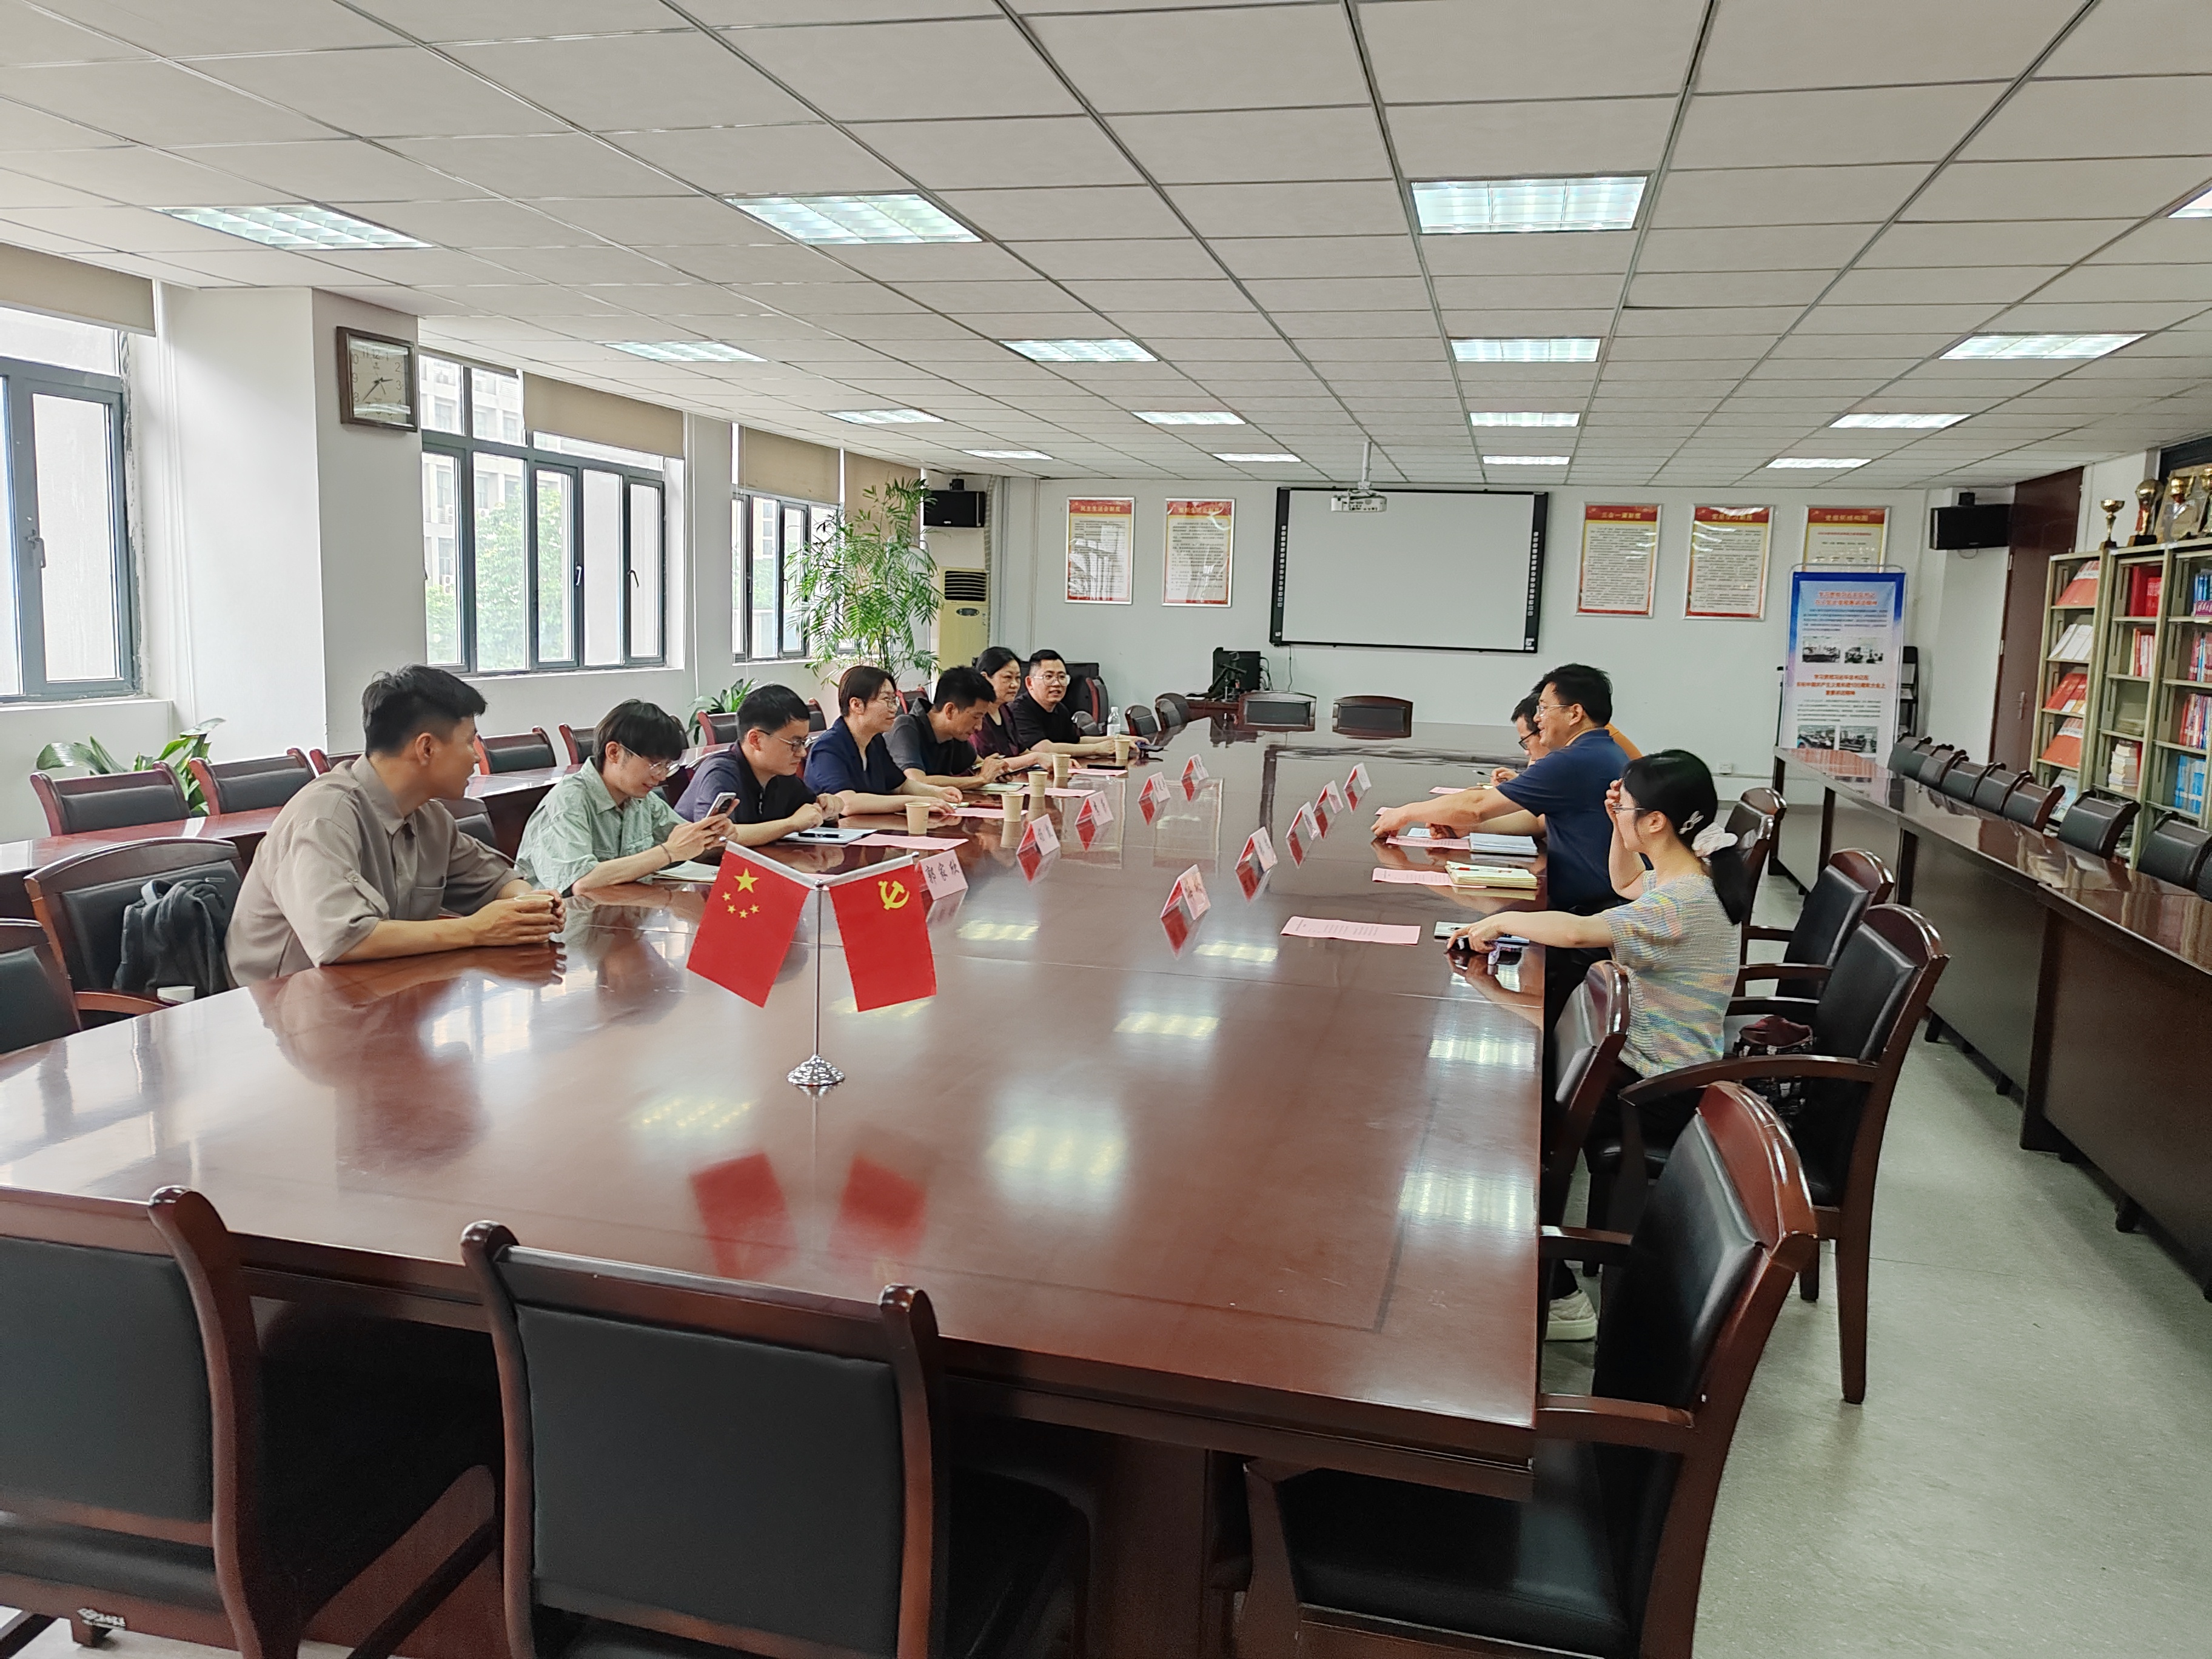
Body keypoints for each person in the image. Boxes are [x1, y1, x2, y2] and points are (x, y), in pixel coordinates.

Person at [1447, 749, 1754, 1341]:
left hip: (1660, 1086)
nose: (1620, 813)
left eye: (1628, 807)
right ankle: (1525, 1269)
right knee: (1524, 1092)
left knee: (1516, 1128)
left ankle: (1559, 1299)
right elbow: (1624, 882)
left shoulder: (1684, 903)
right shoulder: (1688, 875)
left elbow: (1576, 930)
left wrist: (1499, 921)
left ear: (1657, 822)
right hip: (1646, 1061)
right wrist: (1619, 825)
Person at [227, 666, 562, 984]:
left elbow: (496, 881)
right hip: (278, 1007)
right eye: (468, 742)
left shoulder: (430, 819)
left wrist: (529, 906)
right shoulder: (324, 818)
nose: (477, 757)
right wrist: (477, 930)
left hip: (375, 993)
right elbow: (343, 940)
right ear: (426, 747)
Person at [515, 700, 731, 895]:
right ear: (614, 753)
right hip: (565, 922)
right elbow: (580, 884)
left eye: (667, 766)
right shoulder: (568, 802)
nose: (662, 776)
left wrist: (710, 838)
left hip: (622, 913)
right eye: (655, 765)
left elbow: (684, 843)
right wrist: (669, 852)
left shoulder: (641, 799)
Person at [675, 685, 846, 844]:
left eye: (804, 742)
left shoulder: (781, 776)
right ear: (756, 740)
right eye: (794, 743)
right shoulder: (720, 774)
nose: (802, 753)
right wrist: (791, 824)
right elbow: (714, 840)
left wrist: (826, 810)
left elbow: (808, 812)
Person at [805, 665, 962, 813]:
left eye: (894, 701)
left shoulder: (875, 741)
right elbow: (847, 804)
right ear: (857, 705)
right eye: (887, 700)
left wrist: (938, 793)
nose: (894, 708)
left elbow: (900, 786)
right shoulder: (828, 748)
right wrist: (916, 802)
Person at [889, 666, 1018, 789]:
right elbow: (916, 782)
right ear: (950, 710)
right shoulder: (905, 727)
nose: (979, 727)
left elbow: (978, 765)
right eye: (976, 717)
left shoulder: (954, 734)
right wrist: (981, 779)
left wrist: (996, 772)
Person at [1005, 649, 1118, 757]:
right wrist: (1097, 749)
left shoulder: (1060, 709)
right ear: (1030, 683)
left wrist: (1115, 740)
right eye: (1049, 677)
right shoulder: (1017, 711)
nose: (1057, 683)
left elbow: (1076, 743)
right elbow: (1043, 749)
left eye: (1062, 677)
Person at [970, 645, 1040, 767]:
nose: (1015, 685)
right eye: (1008, 677)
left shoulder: (1006, 711)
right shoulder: (975, 715)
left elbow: (1023, 753)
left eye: (1018, 678)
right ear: (985, 678)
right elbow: (982, 765)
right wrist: (1036, 758)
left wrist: (1054, 759)